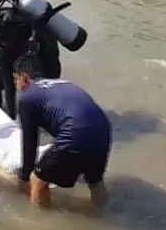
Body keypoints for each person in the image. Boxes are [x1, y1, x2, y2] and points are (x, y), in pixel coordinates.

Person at [13, 56, 111, 208]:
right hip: (103, 131)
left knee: (37, 179)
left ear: (23, 78)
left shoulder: (27, 97)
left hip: (75, 133)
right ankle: (102, 215)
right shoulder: (64, 83)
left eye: (15, 80)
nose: (16, 86)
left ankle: (40, 222)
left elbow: (30, 142)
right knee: (95, 181)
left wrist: (24, 177)